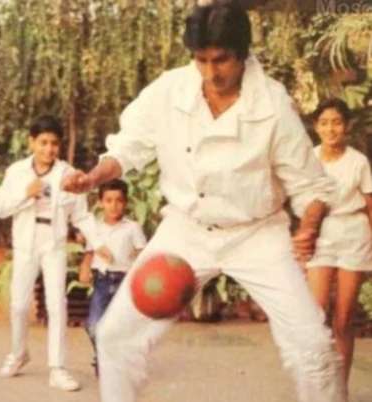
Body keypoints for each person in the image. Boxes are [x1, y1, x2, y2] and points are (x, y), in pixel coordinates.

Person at [62, 2, 345, 402]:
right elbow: (128, 148)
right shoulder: (168, 90)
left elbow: (310, 186)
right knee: (114, 336)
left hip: (257, 234)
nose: (211, 73)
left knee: (314, 348)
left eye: (221, 60)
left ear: (242, 53)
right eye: (201, 60)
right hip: (186, 229)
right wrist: (94, 176)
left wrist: (310, 226)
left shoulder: (273, 103)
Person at [0, 115, 100, 391]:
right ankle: (18, 354)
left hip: (54, 244)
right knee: (18, 305)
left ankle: (58, 368)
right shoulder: (17, 172)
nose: (48, 149)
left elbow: (82, 216)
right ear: (32, 142)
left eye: (54, 143)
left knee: (57, 305)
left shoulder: (68, 174)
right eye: (43, 142)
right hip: (25, 244)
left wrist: (99, 243)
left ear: (59, 146)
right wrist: (26, 194)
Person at [305, 98, 372, 396]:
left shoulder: (358, 161)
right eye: (324, 122)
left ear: (345, 126)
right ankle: (318, 386)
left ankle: (340, 389)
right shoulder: (309, 159)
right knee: (316, 314)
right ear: (316, 127)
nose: (331, 128)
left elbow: (370, 204)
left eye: (337, 122)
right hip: (322, 236)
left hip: (353, 235)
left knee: (343, 319)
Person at [78, 179, 147, 375]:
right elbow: (90, 252)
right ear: (100, 202)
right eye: (108, 200)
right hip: (102, 280)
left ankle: (116, 362)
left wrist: (139, 258)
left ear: (125, 202)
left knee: (123, 325)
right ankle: (102, 357)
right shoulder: (96, 228)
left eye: (119, 200)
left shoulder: (132, 227)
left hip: (126, 281)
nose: (114, 205)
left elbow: (142, 251)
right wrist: (84, 268)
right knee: (93, 325)